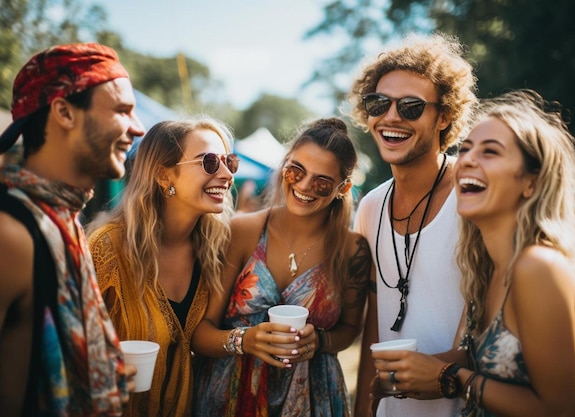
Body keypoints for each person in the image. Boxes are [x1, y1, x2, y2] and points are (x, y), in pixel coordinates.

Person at [370, 89, 575, 416]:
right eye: (465, 149)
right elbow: (483, 361)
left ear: (531, 182)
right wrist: (416, 370)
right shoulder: (484, 267)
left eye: (490, 152)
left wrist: (451, 378)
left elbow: (562, 410)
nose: (468, 160)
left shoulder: (539, 266)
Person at [0, 43, 145, 416]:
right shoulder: (11, 233)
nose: (138, 128)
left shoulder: (63, 219)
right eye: (123, 110)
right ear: (64, 111)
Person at [192, 117, 371, 416]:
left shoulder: (353, 251)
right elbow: (200, 334)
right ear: (284, 165)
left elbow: (350, 329)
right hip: (232, 397)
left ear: (343, 188)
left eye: (322, 182)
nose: (304, 186)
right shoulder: (242, 232)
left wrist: (321, 340)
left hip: (314, 397)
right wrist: (243, 340)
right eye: (295, 171)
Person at [347, 32, 478, 416]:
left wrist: (446, 370)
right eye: (378, 103)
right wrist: (364, 408)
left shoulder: (474, 198)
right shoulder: (371, 207)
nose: (391, 117)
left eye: (411, 106)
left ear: (445, 116)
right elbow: (375, 319)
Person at [86, 118, 235, 417]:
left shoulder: (215, 249)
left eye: (229, 161)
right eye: (209, 162)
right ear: (163, 174)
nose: (226, 173)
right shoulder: (106, 248)